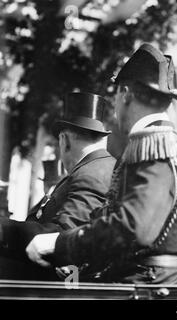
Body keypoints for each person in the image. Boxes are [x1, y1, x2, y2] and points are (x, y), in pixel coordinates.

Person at [25, 43, 177, 285]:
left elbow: (132, 228)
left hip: (146, 287)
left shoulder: (155, 147)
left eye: (115, 97)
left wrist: (59, 243)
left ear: (124, 94)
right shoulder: (151, 144)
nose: (115, 109)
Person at [0, 92, 116, 280]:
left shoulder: (90, 174)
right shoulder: (92, 169)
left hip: (64, 282)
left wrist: (4, 229)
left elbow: (61, 235)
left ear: (65, 140)